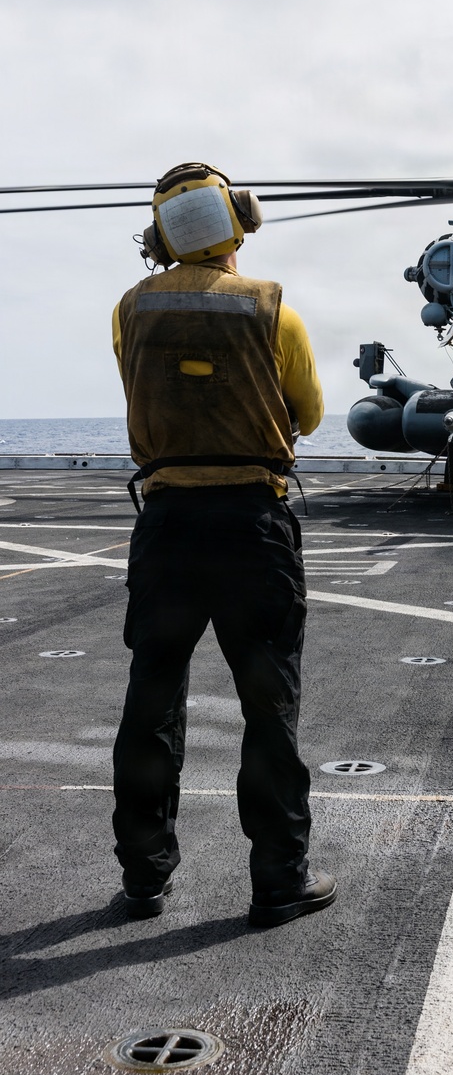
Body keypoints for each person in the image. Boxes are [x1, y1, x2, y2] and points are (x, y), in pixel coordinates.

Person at [110, 161, 335, 928]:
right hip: (252, 524)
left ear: (160, 234)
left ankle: (145, 878)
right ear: (239, 222)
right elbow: (306, 415)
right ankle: (278, 881)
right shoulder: (275, 311)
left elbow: (141, 389)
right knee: (269, 708)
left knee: (152, 697)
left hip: (168, 524)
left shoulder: (129, 311)